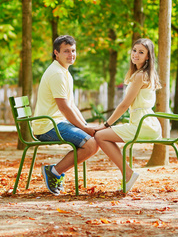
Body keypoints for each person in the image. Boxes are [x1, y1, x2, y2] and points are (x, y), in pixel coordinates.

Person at [32, 35, 99, 195]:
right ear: (56, 53)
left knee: (93, 142)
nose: (71, 54)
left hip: (57, 123)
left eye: (73, 50)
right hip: (47, 126)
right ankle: (53, 172)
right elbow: (64, 107)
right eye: (66, 51)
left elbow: (71, 105)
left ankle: (54, 171)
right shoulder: (57, 74)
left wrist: (86, 126)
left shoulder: (64, 72)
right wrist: (83, 127)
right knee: (90, 145)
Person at [94, 38, 162, 192]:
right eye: (134, 50)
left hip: (143, 125)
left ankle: (128, 173)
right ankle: (128, 173)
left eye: (141, 52)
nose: (136, 54)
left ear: (148, 57)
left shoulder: (140, 76)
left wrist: (106, 124)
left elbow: (125, 105)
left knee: (100, 135)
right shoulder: (144, 74)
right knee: (102, 136)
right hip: (148, 123)